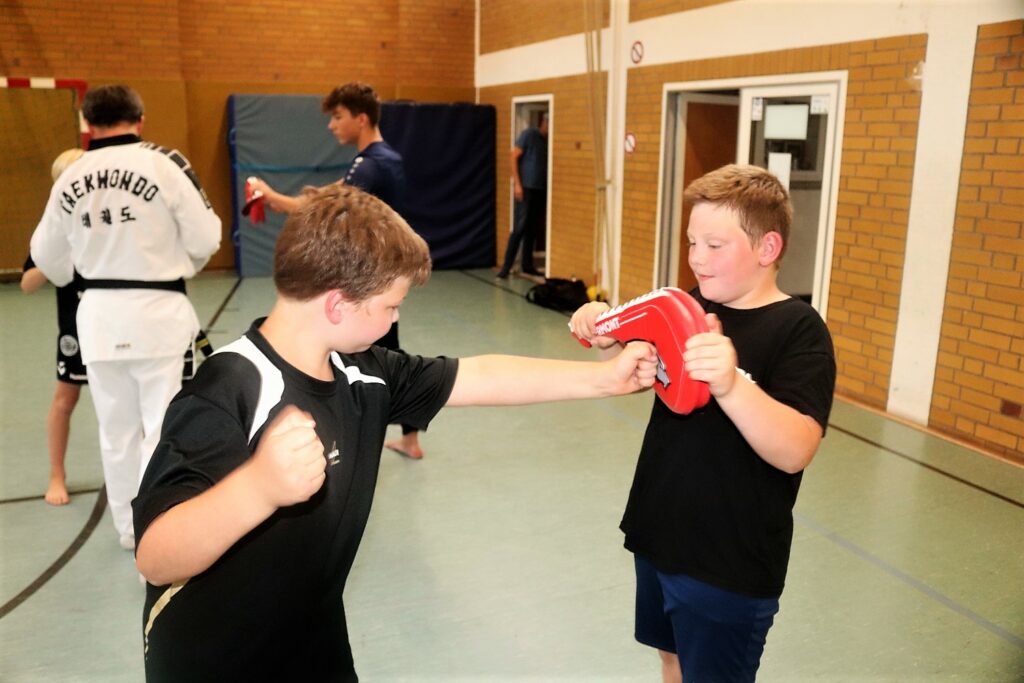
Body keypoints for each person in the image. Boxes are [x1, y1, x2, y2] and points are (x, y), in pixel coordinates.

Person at [132, 183, 657, 681]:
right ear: (337, 304)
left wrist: (603, 379)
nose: (395, 319)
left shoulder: (363, 370)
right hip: (215, 658)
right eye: (390, 306)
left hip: (312, 641)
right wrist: (256, 488)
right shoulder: (229, 386)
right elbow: (156, 553)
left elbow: (477, 376)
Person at [570, 164, 836, 683]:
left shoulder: (799, 330)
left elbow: (796, 449)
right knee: (672, 661)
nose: (695, 257)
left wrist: (732, 384)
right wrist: (597, 327)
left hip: (728, 560)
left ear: (767, 248)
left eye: (715, 245)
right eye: (692, 242)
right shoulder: (688, 307)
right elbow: (625, 351)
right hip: (659, 531)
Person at [30, 84, 221, 550]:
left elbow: (47, 259)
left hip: (96, 315)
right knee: (161, 428)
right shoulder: (165, 164)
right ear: (140, 118)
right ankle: (161, 528)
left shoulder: (70, 179)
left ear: (88, 125)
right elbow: (207, 237)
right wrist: (174, 266)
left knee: (115, 431)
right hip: (158, 313)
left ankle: (129, 533)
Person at [251, 82, 426, 460]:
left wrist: (273, 197)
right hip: (381, 277)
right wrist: (320, 195)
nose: (332, 126)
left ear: (360, 118)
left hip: (369, 282)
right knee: (387, 354)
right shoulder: (383, 157)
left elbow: (330, 214)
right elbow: (337, 194)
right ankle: (409, 438)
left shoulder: (370, 163)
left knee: (370, 359)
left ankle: (368, 437)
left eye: (338, 116)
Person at [21, 148, 87, 505]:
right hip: (74, 331)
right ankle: (57, 474)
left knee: (134, 403)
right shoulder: (52, 231)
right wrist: (52, 263)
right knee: (65, 399)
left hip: (115, 323)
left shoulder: (107, 223)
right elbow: (27, 284)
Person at [496, 111, 548, 280]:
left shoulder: (547, 141)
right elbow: (514, 156)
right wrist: (517, 184)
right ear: (543, 122)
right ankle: (506, 266)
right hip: (525, 188)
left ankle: (527, 265)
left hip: (539, 189)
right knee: (520, 227)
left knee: (532, 229)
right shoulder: (529, 135)